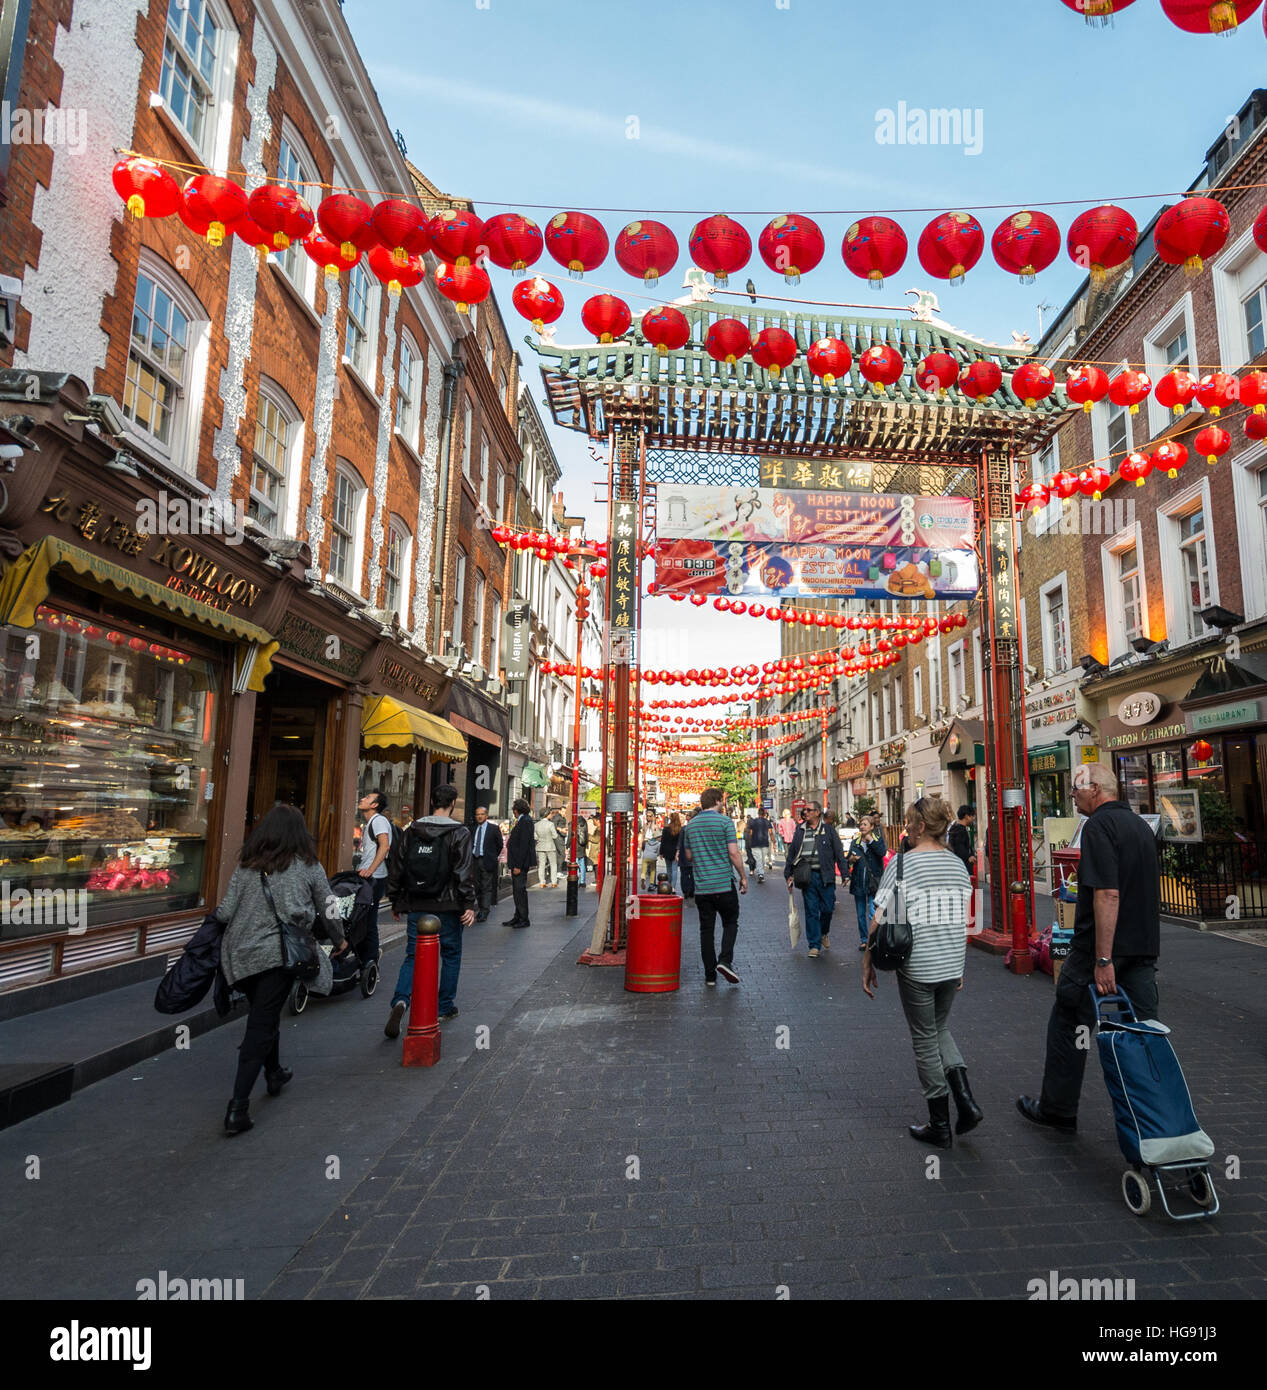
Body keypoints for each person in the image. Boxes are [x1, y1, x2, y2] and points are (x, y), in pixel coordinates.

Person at [1018, 763, 1161, 1133]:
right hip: (1142, 950)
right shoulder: (1140, 827)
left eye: (1077, 788)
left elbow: (1107, 894)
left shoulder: (1098, 827)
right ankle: (1157, 1120)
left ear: (1096, 789)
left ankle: (1058, 1109)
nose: (1072, 795)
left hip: (1100, 953)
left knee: (1069, 1022)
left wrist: (1102, 959)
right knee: (1144, 1034)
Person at [215, 805, 348, 1135]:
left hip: (239, 955)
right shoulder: (308, 866)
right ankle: (237, 1108)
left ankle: (273, 1072)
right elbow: (329, 907)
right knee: (260, 1023)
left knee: (264, 1011)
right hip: (277, 954)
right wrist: (340, 940)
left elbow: (225, 911)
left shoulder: (248, 866)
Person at [862, 795, 980, 1149]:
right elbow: (965, 921)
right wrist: (959, 964)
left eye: (911, 821)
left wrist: (867, 962)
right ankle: (966, 1102)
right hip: (949, 962)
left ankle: (939, 1124)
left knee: (925, 1038)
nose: (908, 827)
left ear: (919, 826)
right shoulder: (958, 865)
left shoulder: (903, 865)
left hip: (918, 965)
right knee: (939, 1028)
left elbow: (881, 918)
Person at [383, 782, 475, 1036]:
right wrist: (468, 904)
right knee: (451, 954)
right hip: (447, 905)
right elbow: (463, 871)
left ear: (432, 802)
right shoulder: (460, 832)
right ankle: (444, 1005)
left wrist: (395, 899)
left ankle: (401, 999)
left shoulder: (412, 830)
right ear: (452, 804)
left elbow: (397, 866)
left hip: (416, 903)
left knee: (413, 955)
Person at [681, 788, 747, 986]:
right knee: (730, 923)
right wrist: (743, 876)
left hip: (702, 887)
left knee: (706, 930)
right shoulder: (725, 822)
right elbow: (734, 854)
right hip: (724, 884)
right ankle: (725, 960)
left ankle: (710, 975)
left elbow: (689, 856)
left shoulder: (690, 826)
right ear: (718, 801)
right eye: (723, 801)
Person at [785, 800, 849, 958]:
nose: (805, 812)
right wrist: (789, 875)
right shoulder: (800, 831)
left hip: (826, 875)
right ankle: (814, 945)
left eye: (808, 810)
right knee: (811, 910)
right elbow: (792, 854)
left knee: (827, 908)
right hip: (807, 877)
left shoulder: (829, 830)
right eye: (804, 810)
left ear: (817, 812)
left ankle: (823, 933)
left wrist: (845, 873)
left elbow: (839, 853)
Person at [355, 790, 393, 966]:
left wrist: (370, 870)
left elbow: (384, 847)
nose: (362, 799)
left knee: (368, 922)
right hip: (370, 877)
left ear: (374, 805)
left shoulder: (378, 820)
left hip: (374, 878)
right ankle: (367, 957)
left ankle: (370, 961)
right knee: (363, 921)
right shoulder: (372, 821)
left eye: (368, 798)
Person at [847, 815, 887, 951]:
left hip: (873, 883)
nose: (862, 826)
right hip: (859, 882)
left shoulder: (877, 840)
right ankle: (864, 940)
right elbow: (848, 858)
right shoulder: (855, 841)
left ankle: (873, 939)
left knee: (872, 913)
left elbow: (882, 852)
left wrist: (870, 841)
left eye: (865, 824)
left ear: (872, 827)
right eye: (861, 824)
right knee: (860, 914)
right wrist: (851, 859)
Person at [470, 805, 503, 922]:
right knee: (477, 886)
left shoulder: (493, 828)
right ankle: (480, 908)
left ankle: (484, 911)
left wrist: (492, 856)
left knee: (486, 887)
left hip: (487, 860)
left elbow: (500, 845)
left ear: (486, 815)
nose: (479, 816)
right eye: (477, 814)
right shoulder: (473, 829)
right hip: (475, 860)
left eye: (482, 814)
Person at [505, 799, 535, 926]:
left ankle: (523, 918)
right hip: (516, 861)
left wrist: (518, 865)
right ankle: (517, 916)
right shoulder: (523, 820)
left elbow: (523, 844)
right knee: (517, 891)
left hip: (520, 863)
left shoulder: (526, 821)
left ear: (516, 810)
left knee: (520, 890)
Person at [534, 809, 560, 887]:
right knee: (553, 864)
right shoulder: (550, 824)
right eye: (550, 814)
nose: (551, 815)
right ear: (547, 815)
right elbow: (555, 836)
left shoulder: (536, 824)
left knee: (541, 865)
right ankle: (554, 882)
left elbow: (535, 837)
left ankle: (542, 882)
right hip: (550, 846)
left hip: (540, 846)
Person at [659, 812, 682, 892]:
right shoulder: (679, 829)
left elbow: (663, 841)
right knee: (675, 870)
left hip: (667, 851)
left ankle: (668, 886)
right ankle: (673, 887)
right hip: (675, 852)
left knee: (669, 869)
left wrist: (661, 852)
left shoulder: (666, 828)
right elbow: (680, 842)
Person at [948, 805, 975, 874]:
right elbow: (959, 847)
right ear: (966, 816)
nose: (973, 818)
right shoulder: (960, 830)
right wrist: (969, 857)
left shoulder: (955, 828)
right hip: (963, 867)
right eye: (972, 816)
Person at [748, 806, 772, 883]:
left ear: (758, 814)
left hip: (755, 843)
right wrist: (774, 842)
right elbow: (771, 833)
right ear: (764, 814)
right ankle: (761, 874)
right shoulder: (767, 822)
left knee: (758, 859)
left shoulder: (753, 821)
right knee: (762, 859)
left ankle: (760, 874)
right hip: (764, 843)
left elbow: (751, 833)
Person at [678, 809, 697, 901]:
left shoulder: (683, 829)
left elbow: (680, 842)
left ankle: (686, 890)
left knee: (684, 874)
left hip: (683, 854)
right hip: (694, 855)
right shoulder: (696, 829)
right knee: (692, 874)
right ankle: (691, 890)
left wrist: (677, 852)